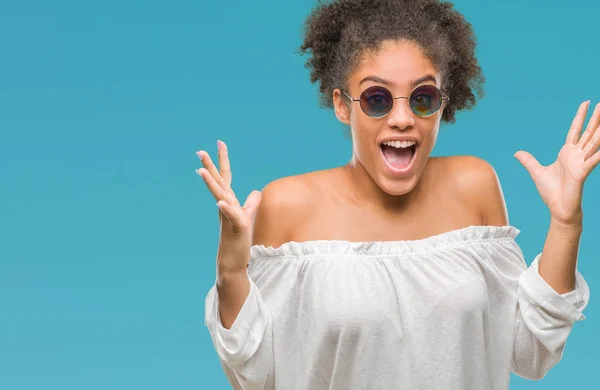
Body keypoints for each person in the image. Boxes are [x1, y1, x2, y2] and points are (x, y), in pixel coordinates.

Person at [197, 0, 598, 388]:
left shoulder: (473, 185)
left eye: (423, 98)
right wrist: (231, 271)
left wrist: (566, 224)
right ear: (342, 105)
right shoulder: (288, 205)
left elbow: (529, 353)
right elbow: (255, 376)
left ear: (443, 103)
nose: (403, 119)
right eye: (377, 99)